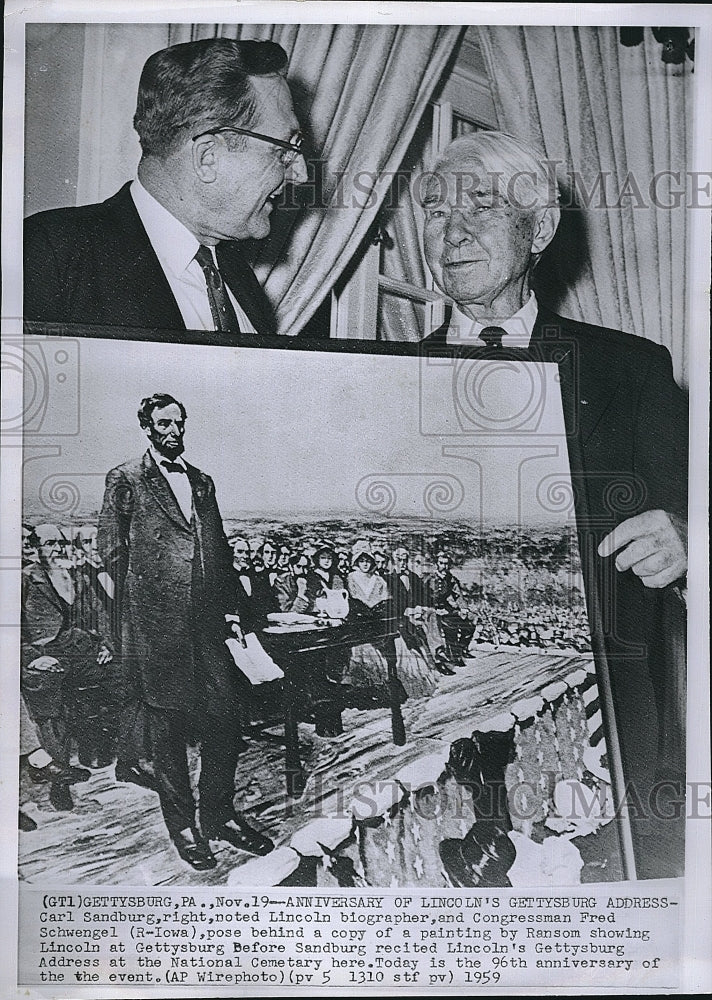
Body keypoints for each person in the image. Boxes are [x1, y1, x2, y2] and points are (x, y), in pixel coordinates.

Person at [420, 130, 688, 878]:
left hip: (609, 729)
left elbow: (685, 510)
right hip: (452, 710)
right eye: (436, 213)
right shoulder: (378, 378)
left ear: (538, 230)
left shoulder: (634, 369)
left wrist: (687, 534)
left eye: (481, 206)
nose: (455, 230)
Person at [97, 393, 273, 870]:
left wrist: (232, 611)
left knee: (225, 720)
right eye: (162, 423)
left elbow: (218, 549)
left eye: (178, 422)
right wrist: (143, 613)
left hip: (208, 627)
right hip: (158, 632)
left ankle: (218, 814)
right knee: (168, 732)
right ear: (147, 428)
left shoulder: (202, 481)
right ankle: (185, 827)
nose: (172, 430)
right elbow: (111, 553)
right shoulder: (126, 479)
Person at [24, 38, 307, 334]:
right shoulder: (51, 256)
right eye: (284, 150)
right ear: (207, 157)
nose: (300, 173)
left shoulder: (236, 274)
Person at [21, 523, 113, 773]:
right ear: (34, 547)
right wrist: (31, 658)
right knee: (45, 684)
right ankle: (56, 767)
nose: (58, 549)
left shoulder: (77, 576)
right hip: (43, 655)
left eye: (61, 543)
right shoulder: (25, 579)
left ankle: (100, 750)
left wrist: (105, 644)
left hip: (80, 648)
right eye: (50, 544)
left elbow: (99, 615)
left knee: (120, 673)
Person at [386, 545, 455, 675]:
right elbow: (391, 602)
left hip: (416, 611)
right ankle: (434, 661)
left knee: (431, 614)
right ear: (394, 561)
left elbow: (423, 597)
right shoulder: (389, 579)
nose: (403, 563)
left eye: (405, 560)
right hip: (401, 614)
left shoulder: (413, 577)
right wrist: (406, 610)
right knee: (420, 625)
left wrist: (422, 607)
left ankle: (439, 653)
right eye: (399, 560)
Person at [425, 550, 477, 667]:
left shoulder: (450, 578)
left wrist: (464, 608)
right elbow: (422, 596)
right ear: (436, 564)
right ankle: (454, 656)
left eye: (447, 564)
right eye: (442, 563)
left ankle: (462, 649)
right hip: (432, 611)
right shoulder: (429, 579)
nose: (445, 566)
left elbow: (457, 594)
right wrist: (433, 609)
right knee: (451, 628)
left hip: (446, 609)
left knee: (469, 625)